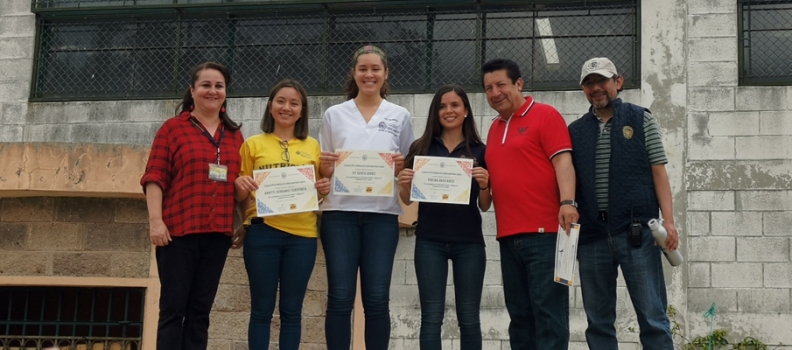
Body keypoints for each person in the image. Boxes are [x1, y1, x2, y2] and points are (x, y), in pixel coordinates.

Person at [569, 57, 678, 350]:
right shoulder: (575, 131)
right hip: (592, 237)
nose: (596, 88)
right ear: (583, 90)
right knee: (598, 323)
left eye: (602, 81)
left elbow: (659, 171)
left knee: (653, 318)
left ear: (618, 82)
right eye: (589, 83)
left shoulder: (641, 118)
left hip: (637, 234)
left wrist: (668, 222)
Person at [140, 61, 244, 350]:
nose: (212, 91)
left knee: (200, 313)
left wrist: (244, 221)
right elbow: (154, 177)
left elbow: (240, 184)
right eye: (206, 85)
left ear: (225, 92)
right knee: (173, 311)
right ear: (193, 90)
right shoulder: (172, 129)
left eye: (219, 86)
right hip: (177, 234)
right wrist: (155, 221)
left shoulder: (235, 135)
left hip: (217, 235)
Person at [318, 45, 415, 350]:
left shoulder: (400, 115)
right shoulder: (334, 114)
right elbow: (324, 168)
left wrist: (401, 169)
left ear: (385, 74)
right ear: (354, 73)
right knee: (340, 297)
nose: (369, 74)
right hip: (339, 215)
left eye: (375, 69)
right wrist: (327, 167)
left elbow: (407, 170)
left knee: (376, 299)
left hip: (382, 217)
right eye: (363, 69)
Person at [481, 58, 578, 350]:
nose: (495, 92)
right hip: (509, 237)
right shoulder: (494, 128)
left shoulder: (546, 115)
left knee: (549, 316)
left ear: (518, 84)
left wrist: (568, 202)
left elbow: (563, 161)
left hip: (548, 234)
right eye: (488, 88)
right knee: (520, 317)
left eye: (501, 85)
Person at [232, 80, 331, 350]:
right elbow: (241, 197)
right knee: (261, 311)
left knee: (291, 312)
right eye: (281, 101)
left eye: (294, 103)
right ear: (270, 106)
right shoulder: (252, 145)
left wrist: (323, 188)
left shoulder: (313, 146)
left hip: (303, 237)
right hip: (262, 234)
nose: (286, 107)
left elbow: (319, 194)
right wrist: (240, 187)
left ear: (301, 111)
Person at [397, 84, 491, 350]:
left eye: (454, 105)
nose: (448, 111)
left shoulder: (480, 151)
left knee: (470, 319)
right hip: (429, 241)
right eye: (442, 106)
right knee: (431, 318)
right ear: (435, 112)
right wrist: (404, 183)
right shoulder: (421, 147)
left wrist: (485, 185)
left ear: (465, 111)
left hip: (469, 242)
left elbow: (485, 206)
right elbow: (407, 200)